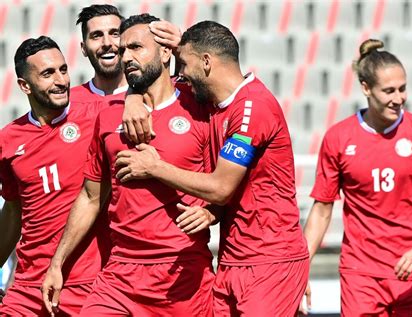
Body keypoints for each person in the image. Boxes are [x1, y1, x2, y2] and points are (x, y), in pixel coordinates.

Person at [117, 20, 309, 316]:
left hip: (269, 260)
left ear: (206, 62)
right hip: (234, 258)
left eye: (184, 64)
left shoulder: (252, 108)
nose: (180, 74)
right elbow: (153, 83)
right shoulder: (214, 104)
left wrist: (155, 167)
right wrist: (132, 100)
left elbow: (221, 187)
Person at [42, 14, 215, 316]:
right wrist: (57, 263)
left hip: (181, 272)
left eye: (137, 47)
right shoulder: (109, 116)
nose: (127, 57)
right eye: (124, 51)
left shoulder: (199, 107)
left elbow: (229, 182)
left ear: (165, 53)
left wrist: (212, 212)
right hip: (120, 273)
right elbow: (90, 196)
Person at [302, 39, 412, 316]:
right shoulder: (339, 138)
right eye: (389, 91)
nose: (398, 98)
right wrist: (300, 268)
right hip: (362, 275)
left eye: (402, 89)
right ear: (365, 88)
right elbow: (322, 209)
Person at [0, 36, 110, 316]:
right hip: (27, 287)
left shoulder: (99, 119)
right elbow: (14, 209)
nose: (61, 80)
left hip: (89, 283)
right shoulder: (8, 140)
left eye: (63, 70)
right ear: (25, 85)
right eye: (48, 73)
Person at [70, 4, 128, 104]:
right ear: (84, 48)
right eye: (96, 36)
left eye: (115, 34)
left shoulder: (147, 98)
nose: (106, 43)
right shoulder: (68, 103)